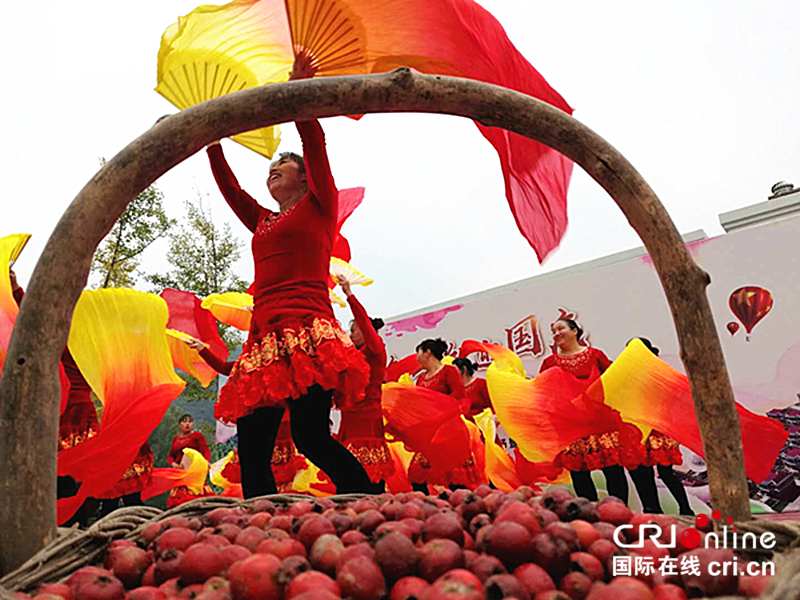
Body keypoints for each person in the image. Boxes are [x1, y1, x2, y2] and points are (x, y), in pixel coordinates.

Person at [204, 55, 374, 498]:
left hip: (307, 332)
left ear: (304, 177)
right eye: (269, 167)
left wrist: (302, 98)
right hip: (263, 336)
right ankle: (260, 522)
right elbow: (231, 191)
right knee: (252, 445)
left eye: (283, 163)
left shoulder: (320, 208)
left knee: (310, 437)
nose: (272, 168)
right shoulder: (262, 220)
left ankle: (366, 497)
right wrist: (212, 142)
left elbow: (314, 145)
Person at [11, 268, 100, 526]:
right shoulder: (77, 340)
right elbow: (38, 318)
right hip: (72, 411)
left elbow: (37, 319)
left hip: (73, 412)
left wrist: (17, 291)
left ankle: (70, 521)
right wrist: (16, 291)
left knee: (70, 470)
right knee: (70, 470)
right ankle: (68, 521)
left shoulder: (78, 341)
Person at [183, 337, 304, 492]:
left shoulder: (280, 358)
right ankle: (254, 506)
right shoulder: (246, 361)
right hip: (247, 413)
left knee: (264, 464)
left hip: (274, 417)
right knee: (249, 463)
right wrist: (202, 349)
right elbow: (223, 366)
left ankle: (271, 504)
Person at [540, 318, 640, 503]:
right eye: (553, 331)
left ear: (575, 331)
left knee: (612, 469)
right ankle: (591, 512)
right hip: (571, 426)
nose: (556, 334)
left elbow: (613, 382)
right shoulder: (550, 363)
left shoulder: (596, 355)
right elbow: (544, 394)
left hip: (600, 422)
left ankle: (618, 510)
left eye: (560, 328)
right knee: (579, 473)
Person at [335, 276, 393, 487]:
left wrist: (349, 294)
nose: (351, 335)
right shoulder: (352, 355)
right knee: (345, 477)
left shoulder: (376, 350)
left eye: (354, 330)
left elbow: (365, 324)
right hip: (349, 418)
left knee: (368, 476)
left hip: (367, 417)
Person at [625, 337, 693, 515]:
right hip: (639, 429)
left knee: (664, 473)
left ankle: (684, 509)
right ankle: (652, 509)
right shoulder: (627, 373)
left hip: (657, 429)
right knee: (644, 472)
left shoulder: (658, 371)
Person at [410, 338, 484, 492]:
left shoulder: (448, 372)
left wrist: (438, 408)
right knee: (418, 474)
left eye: (419, 353)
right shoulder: (421, 378)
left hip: (449, 430)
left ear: (428, 353)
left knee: (456, 477)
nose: (417, 358)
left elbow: (459, 396)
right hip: (429, 433)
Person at [165, 414, 213, 507]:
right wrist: (174, 464)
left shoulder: (197, 436)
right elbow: (170, 456)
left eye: (190, 421)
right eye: (184, 421)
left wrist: (205, 461)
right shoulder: (176, 438)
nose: (188, 424)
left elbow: (205, 451)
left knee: (197, 496)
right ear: (179, 425)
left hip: (194, 470)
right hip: (180, 471)